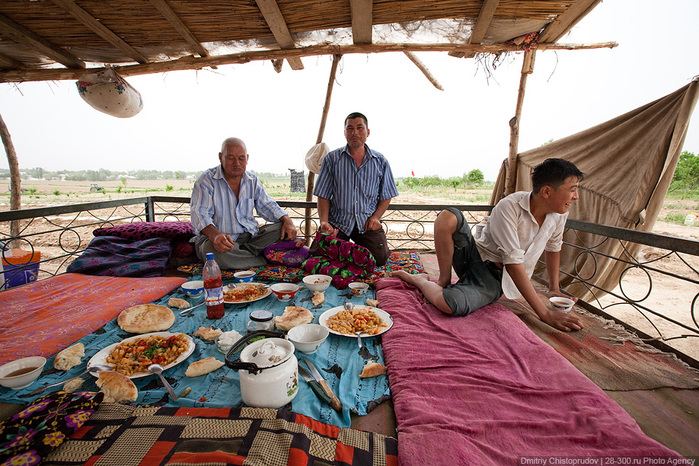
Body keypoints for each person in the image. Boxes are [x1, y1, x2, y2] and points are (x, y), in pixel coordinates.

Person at [391, 158, 585, 332]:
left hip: (495, 279)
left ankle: (422, 281)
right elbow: (513, 262)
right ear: (547, 191)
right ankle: (440, 281)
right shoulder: (510, 206)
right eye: (572, 189)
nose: (576, 196)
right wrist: (545, 314)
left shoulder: (559, 213)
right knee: (447, 216)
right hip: (475, 257)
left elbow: (553, 246)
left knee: (450, 304)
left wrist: (553, 288)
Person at [190, 137, 297, 269]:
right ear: (220, 157)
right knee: (211, 251)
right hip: (221, 241)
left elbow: (267, 205)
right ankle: (262, 260)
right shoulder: (206, 181)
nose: (237, 163)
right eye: (231, 158)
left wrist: (287, 219)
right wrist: (215, 235)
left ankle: (242, 257)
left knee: (281, 228)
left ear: (247, 158)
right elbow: (199, 214)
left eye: (241, 158)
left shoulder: (252, 180)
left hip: (251, 239)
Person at [311, 112, 398, 266]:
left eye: (359, 128)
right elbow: (323, 195)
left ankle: (345, 254)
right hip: (337, 222)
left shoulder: (380, 161)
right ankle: (348, 253)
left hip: (366, 223)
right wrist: (324, 222)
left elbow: (387, 195)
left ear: (367, 132)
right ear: (345, 133)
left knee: (380, 258)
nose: (355, 132)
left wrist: (376, 217)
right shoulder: (332, 159)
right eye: (350, 128)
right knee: (317, 258)